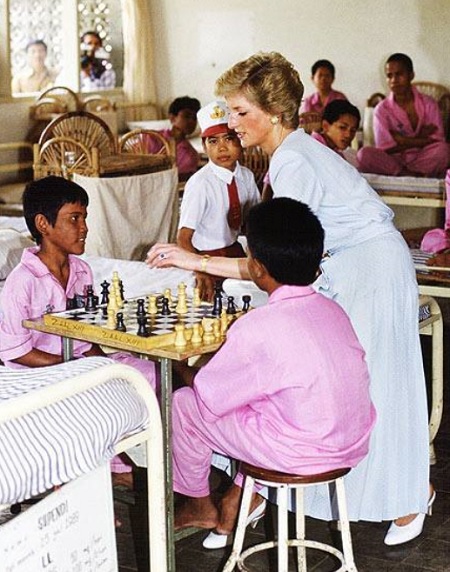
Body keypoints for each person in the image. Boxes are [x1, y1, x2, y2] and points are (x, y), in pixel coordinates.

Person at [148, 51, 432, 546]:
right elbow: (279, 260)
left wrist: (196, 262)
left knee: (377, 385)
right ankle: (255, 492)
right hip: (352, 266)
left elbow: (277, 263)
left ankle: (410, 493)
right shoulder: (292, 151)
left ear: (274, 114)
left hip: (369, 270)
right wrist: (196, 261)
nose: (231, 125)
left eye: (240, 112)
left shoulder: (294, 160)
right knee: (325, 380)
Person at [171, 197, 375, 536]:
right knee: (263, 403)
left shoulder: (258, 325)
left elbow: (208, 397)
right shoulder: (333, 311)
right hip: (352, 442)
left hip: (299, 453)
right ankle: (236, 502)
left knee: (184, 405)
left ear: (257, 268)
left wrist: (177, 364)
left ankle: (198, 504)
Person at [0, 176, 157, 484]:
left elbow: (87, 333)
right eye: (74, 219)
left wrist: (103, 362)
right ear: (43, 224)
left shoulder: (82, 271)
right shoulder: (22, 281)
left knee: (147, 373)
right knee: (89, 395)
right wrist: (72, 366)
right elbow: (14, 351)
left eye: (84, 218)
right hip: (36, 373)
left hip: (78, 362)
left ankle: (120, 459)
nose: (84, 227)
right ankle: (89, 479)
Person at [178, 100, 260, 300]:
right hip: (205, 258)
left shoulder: (247, 177)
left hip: (235, 254)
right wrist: (200, 270)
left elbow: (255, 224)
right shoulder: (200, 183)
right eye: (213, 141)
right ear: (204, 146)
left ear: (240, 140)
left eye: (229, 139)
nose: (222, 148)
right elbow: (183, 238)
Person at [357, 53, 448, 177]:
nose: (394, 80)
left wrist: (402, 140)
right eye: (389, 76)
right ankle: (412, 175)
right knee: (364, 154)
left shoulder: (429, 103)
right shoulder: (381, 109)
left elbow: (438, 139)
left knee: (444, 150)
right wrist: (421, 137)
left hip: (423, 157)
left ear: (411, 75)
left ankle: (408, 174)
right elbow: (385, 147)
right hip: (394, 161)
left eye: (399, 74)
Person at [146, 96, 201, 181]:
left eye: (194, 118)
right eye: (186, 116)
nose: (191, 121)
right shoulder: (152, 138)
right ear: (172, 118)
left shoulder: (191, 155)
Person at [310, 99, 361, 167]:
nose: (348, 135)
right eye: (342, 127)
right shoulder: (315, 149)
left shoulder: (335, 152)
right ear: (326, 126)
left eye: (353, 130)